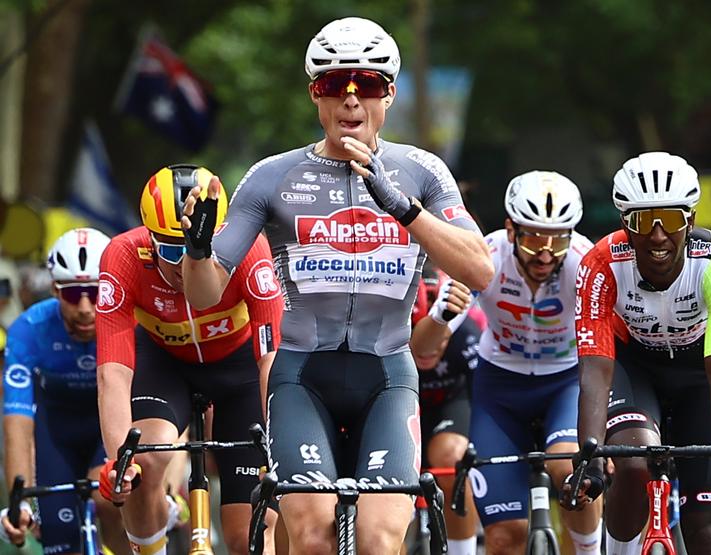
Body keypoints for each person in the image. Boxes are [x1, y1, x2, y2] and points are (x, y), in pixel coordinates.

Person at [178, 16, 493, 554]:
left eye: (367, 85)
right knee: (312, 537)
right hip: (302, 373)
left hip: (388, 373)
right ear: (314, 95)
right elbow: (203, 295)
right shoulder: (271, 176)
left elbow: (480, 270)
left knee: (377, 539)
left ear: (388, 95)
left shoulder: (421, 171)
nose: (351, 100)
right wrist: (197, 248)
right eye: (334, 85)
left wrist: (404, 208)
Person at [562, 152, 711, 555]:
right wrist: (592, 456)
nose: (656, 235)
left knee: (708, 529)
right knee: (633, 462)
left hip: (700, 375)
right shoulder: (600, 262)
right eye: (640, 220)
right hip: (635, 371)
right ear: (623, 224)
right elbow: (594, 372)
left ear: (690, 218)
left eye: (668, 220)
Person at [96, 165, 284, 555]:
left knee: (246, 535)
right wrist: (120, 463)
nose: (183, 264)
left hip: (239, 372)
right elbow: (112, 372)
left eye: (194, 248)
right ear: (149, 239)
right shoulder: (123, 255)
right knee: (144, 461)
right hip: (165, 365)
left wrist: (281, 445)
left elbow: (270, 358)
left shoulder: (249, 249)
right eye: (169, 249)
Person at [411, 170, 602, 554]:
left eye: (557, 240)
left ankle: (589, 549)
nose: (546, 254)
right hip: (500, 390)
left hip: (564, 384)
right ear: (511, 230)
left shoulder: (584, 262)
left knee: (569, 472)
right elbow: (420, 352)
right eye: (533, 239)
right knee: (505, 536)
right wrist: (440, 317)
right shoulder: (485, 254)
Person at [0, 228, 129, 555]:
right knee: (59, 536)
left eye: (95, 291)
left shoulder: (131, 321)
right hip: (56, 433)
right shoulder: (28, 330)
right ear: (56, 289)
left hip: (109, 426)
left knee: (111, 502)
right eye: (73, 294)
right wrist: (22, 503)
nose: (86, 307)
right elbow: (18, 424)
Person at [409, 264, 482, 555]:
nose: (429, 350)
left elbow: (485, 396)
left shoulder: (469, 332)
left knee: (454, 459)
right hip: (401, 408)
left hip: (448, 408)